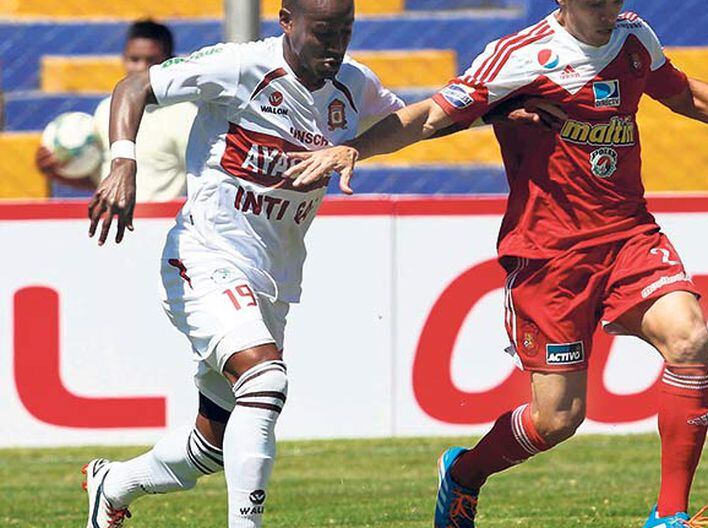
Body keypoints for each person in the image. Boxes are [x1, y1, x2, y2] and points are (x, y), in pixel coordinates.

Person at [285, 1, 708, 527]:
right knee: (557, 419)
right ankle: (464, 473)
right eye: (595, 1)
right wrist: (356, 148)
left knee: (690, 338)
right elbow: (432, 114)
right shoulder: (520, 56)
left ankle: (668, 515)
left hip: (628, 234)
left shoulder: (633, 36)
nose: (607, 10)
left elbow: (683, 94)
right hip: (550, 256)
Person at [81, 1, 553, 527]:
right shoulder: (240, 67)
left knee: (210, 446)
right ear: (287, 21)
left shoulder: (353, 84)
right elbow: (134, 87)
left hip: (272, 280)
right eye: (323, 32)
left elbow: (414, 122)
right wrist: (123, 161)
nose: (335, 45)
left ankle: (113, 484)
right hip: (205, 255)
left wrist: (491, 113)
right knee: (265, 380)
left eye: (345, 31)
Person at [36, 20, 195, 202]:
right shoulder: (108, 109)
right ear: (124, 59)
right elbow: (103, 181)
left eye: (151, 60)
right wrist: (56, 170)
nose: (141, 67)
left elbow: (202, 177)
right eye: (134, 59)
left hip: (162, 217)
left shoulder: (184, 115)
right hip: (113, 216)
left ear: (168, 62)